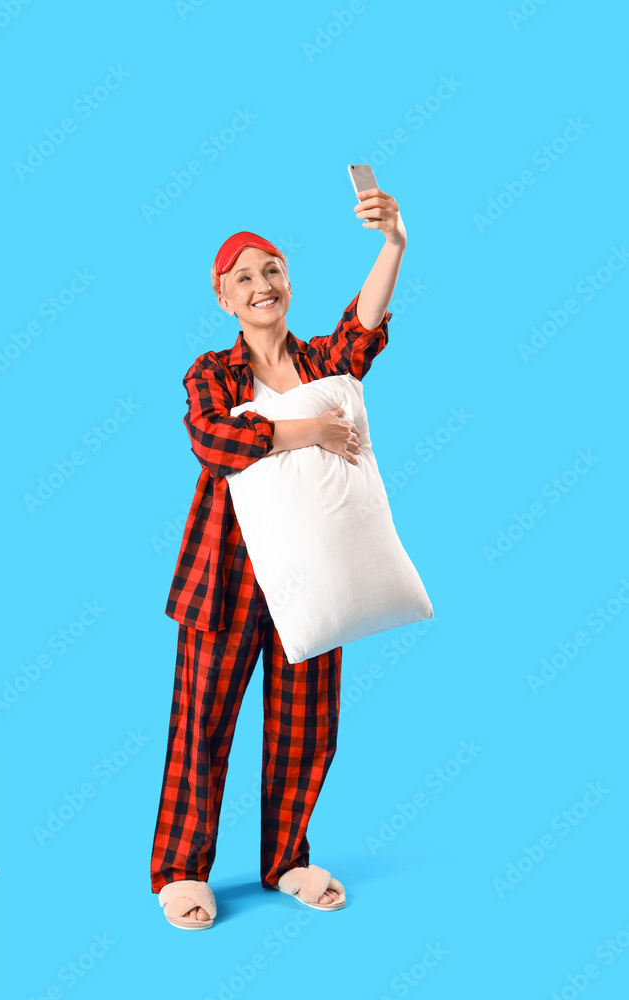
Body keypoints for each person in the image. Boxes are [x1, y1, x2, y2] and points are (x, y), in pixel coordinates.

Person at [151, 188, 407, 929]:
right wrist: (311, 432)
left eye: (273, 272)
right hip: (224, 585)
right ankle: (181, 872)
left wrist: (392, 243)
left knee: (307, 726)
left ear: (288, 283)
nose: (262, 286)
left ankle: (287, 860)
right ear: (223, 295)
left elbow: (361, 332)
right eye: (245, 277)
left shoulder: (321, 362)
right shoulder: (212, 373)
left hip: (315, 577)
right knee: (201, 728)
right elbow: (213, 442)